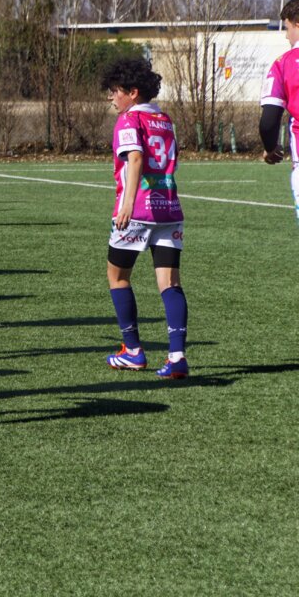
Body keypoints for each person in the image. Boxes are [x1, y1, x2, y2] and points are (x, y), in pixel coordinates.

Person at [100, 58, 188, 378]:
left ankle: (134, 351)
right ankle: (177, 357)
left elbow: (135, 159)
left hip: (138, 210)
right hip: (170, 208)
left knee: (117, 276)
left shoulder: (128, 120)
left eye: (115, 91)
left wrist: (126, 205)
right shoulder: (164, 119)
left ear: (133, 93)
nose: (111, 97)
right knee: (170, 283)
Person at [259, 0, 299, 226]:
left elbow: (269, 120)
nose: (286, 36)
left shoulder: (283, 63)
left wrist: (270, 148)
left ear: (296, 23)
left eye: (287, 28)